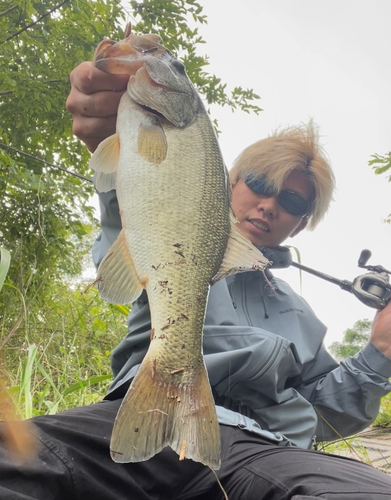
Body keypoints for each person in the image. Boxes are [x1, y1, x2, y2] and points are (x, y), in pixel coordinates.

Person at [0, 61, 390, 500]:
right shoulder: (165, 214)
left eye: (292, 199)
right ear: (227, 183)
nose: (268, 204)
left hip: (262, 450)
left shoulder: (302, 318)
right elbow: (126, 205)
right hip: (132, 417)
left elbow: (323, 413)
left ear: (300, 225)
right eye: (260, 183)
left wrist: (380, 351)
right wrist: (113, 133)